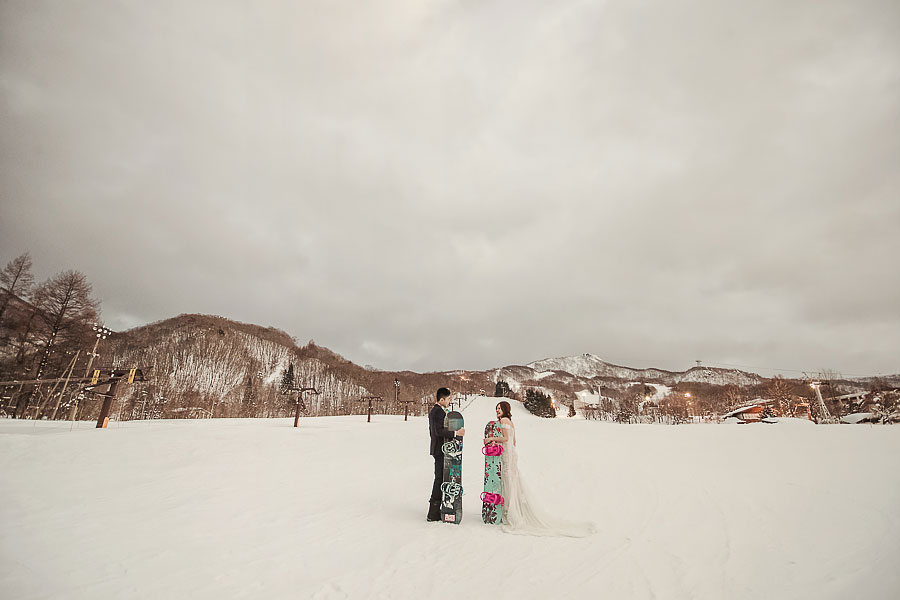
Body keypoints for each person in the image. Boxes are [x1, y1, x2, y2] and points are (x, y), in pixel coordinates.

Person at [484, 401, 595, 537]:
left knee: (507, 482)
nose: (497, 411)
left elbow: (506, 438)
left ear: (505, 409)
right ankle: (512, 510)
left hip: (507, 455)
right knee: (512, 482)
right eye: (496, 408)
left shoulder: (504, 421)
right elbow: (514, 441)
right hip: (512, 454)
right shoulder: (511, 422)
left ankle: (509, 512)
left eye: (499, 408)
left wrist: (491, 439)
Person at [427, 387, 465, 521]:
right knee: (439, 479)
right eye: (448, 399)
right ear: (442, 399)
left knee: (442, 478)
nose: (450, 401)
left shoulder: (438, 411)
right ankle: (433, 513)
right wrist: (455, 433)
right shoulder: (437, 412)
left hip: (440, 448)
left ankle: (437, 510)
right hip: (440, 450)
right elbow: (438, 431)